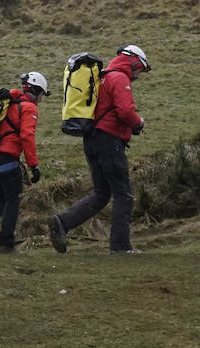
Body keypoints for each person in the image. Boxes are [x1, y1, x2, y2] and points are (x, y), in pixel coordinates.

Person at [48, 45, 151, 255]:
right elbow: (125, 111)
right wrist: (138, 123)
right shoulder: (120, 78)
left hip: (92, 140)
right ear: (133, 62)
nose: (138, 76)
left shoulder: (101, 78)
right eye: (139, 70)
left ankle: (62, 222)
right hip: (109, 142)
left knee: (101, 193)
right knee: (123, 194)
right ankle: (120, 247)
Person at [0, 71, 50, 255]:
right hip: (7, 159)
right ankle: (6, 245)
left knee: (2, 197)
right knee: (13, 199)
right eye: (42, 96)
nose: (40, 100)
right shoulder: (29, 108)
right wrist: (34, 166)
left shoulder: (7, 104)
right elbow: (27, 137)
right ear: (37, 91)